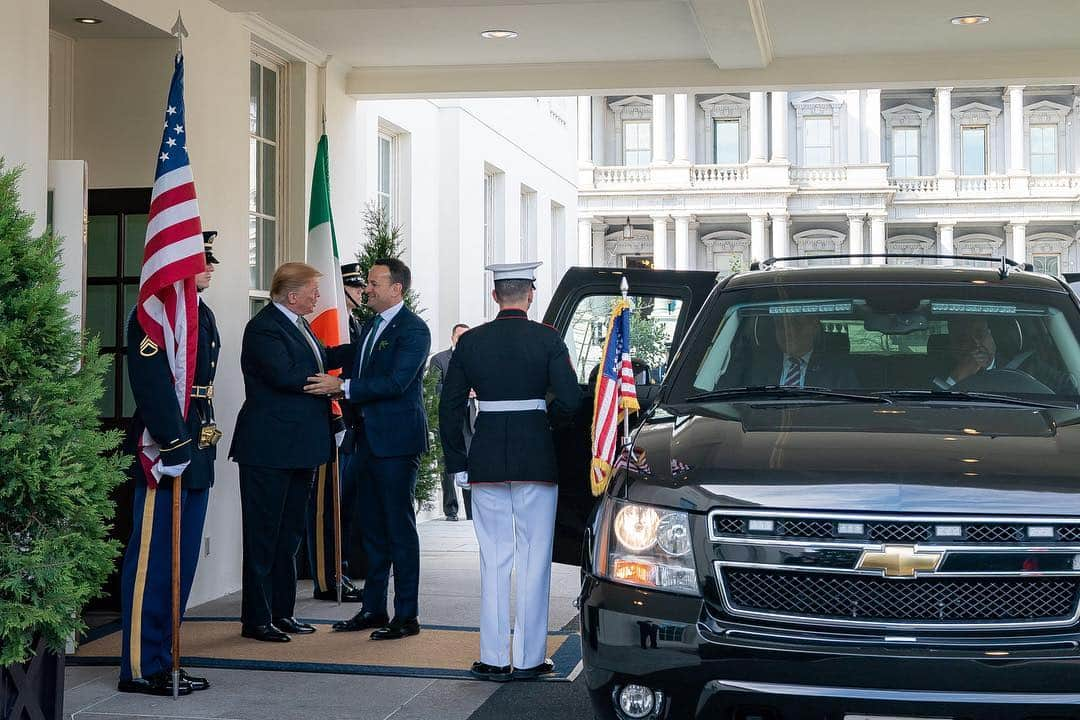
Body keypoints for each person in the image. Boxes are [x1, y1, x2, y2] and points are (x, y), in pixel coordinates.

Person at [438, 261, 582, 682]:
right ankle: (530, 657)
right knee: (535, 558)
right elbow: (571, 400)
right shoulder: (547, 339)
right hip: (536, 457)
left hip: (485, 459)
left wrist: (457, 462)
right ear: (530, 294)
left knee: (494, 558)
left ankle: (494, 656)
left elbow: (449, 407)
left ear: (495, 296)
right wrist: (544, 420)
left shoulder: (472, 342)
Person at [117, 230, 222, 696]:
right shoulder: (153, 314)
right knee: (153, 562)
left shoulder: (203, 314)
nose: (212, 267)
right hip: (168, 447)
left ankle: (166, 656)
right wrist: (173, 443)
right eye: (203, 260)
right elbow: (152, 381)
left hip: (197, 442)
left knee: (180, 562)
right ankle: (141, 665)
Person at [305, 258, 431, 641]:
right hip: (366, 441)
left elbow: (395, 382)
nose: (368, 288)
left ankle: (406, 615)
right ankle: (374, 608)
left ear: (397, 289)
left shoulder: (413, 330)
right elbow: (348, 357)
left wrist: (341, 388)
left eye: (375, 283)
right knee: (372, 530)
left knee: (399, 530)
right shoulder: (373, 326)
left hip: (395, 444)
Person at [229, 262, 352, 642]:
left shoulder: (300, 326)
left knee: (290, 536)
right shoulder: (264, 327)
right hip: (269, 448)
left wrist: (367, 345)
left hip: (299, 448)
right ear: (292, 294)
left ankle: (283, 612)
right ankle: (257, 619)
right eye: (314, 290)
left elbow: (325, 355)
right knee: (264, 536)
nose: (319, 296)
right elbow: (285, 375)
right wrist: (331, 385)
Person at [303, 262, 368, 602]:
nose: (360, 293)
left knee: (344, 505)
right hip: (334, 421)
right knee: (327, 505)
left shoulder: (354, 324)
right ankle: (329, 576)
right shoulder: (334, 324)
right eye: (355, 288)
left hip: (352, 424)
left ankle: (341, 567)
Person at [428, 323, 475, 521]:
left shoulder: (475, 359)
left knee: (470, 464)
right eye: (459, 337)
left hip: (469, 419)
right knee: (447, 465)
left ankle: (471, 512)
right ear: (452, 338)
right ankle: (451, 510)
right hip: (446, 420)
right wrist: (460, 393)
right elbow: (434, 388)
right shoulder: (439, 359)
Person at [741, 314, 858, 388]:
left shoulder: (839, 371)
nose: (788, 333)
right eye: (781, 325)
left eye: (797, 324)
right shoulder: (758, 368)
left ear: (815, 328)